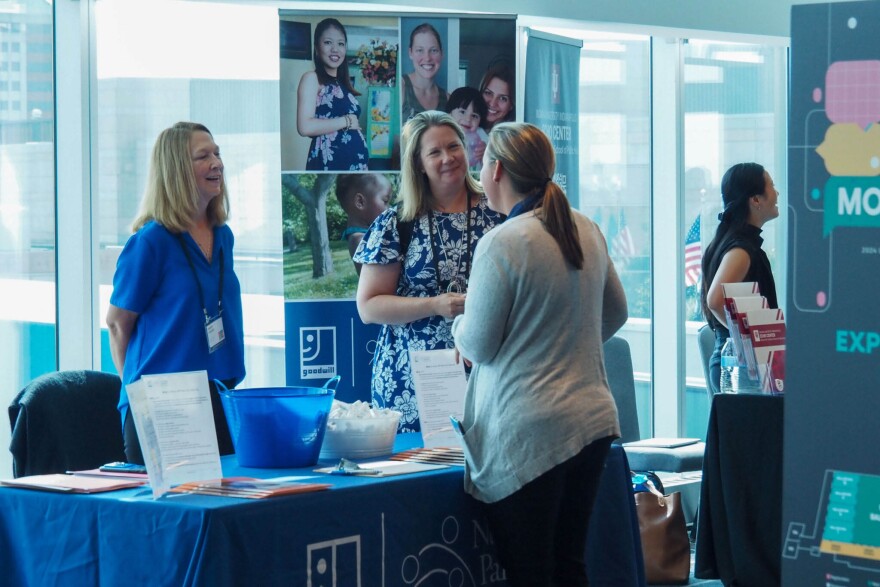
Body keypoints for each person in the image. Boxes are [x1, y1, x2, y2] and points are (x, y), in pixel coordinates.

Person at [451, 122, 628, 586]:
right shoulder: (584, 227)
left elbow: (479, 344)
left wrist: (456, 328)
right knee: (569, 565)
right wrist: (568, 341)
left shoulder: (503, 242)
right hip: (591, 422)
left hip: (530, 432)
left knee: (530, 572)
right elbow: (616, 313)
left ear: (498, 170)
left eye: (482, 160)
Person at [353, 111, 503, 432]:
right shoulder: (396, 223)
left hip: (486, 372)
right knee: (416, 477)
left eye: (454, 147)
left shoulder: (498, 214)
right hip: (411, 382)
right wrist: (434, 305)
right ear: (418, 163)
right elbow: (369, 306)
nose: (448, 158)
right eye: (434, 152)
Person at [106, 122, 246, 465]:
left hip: (218, 393)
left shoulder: (222, 236)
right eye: (204, 156)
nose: (217, 163)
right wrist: (138, 395)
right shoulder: (150, 242)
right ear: (177, 170)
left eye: (217, 153)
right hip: (164, 404)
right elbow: (117, 325)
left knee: (224, 504)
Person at [701, 162, 780, 393]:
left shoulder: (734, 243)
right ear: (755, 200)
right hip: (741, 372)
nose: (776, 193)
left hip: (739, 368)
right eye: (772, 186)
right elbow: (715, 300)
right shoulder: (742, 250)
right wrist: (753, 345)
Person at [297, 18, 369, 171]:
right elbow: (305, 127)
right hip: (329, 164)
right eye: (328, 42)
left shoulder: (344, 85)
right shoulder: (312, 78)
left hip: (357, 166)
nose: (335, 49)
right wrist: (347, 121)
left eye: (340, 44)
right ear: (317, 47)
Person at [336, 173, 393, 275]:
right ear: (360, 202)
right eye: (385, 201)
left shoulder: (371, 233)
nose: (389, 208)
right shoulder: (359, 240)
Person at [401, 23, 448, 121]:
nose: (427, 58)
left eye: (433, 50)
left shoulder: (448, 99)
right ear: (410, 53)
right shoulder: (401, 87)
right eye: (420, 50)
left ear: (442, 54)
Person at [445, 86, 489, 170]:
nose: (468, 119)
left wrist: (485, 154)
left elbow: (490, 165)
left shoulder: (481, 135)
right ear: (450, 113)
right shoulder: (444, 132)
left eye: (474, 116)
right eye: (462, 112)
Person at [479, 63, 515, 131]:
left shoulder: (511, 139)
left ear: (511, 105)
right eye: (488, 93)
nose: (492, 103)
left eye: (502, 98)